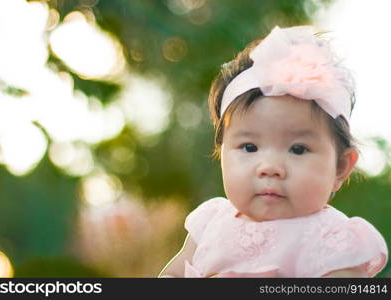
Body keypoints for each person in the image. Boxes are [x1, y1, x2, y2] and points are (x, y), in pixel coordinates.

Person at [158, 26, 388, 278]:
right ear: (222, 153)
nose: (269, 167)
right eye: (249, 147)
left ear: (341, 166)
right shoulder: (209, 224)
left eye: (298, 149)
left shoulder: (334, 241)